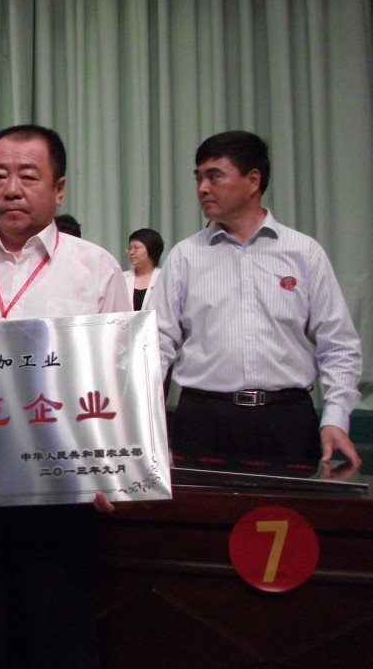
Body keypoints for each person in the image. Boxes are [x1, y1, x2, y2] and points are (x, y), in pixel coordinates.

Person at [0, 125, 129, 668]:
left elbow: (117, 378)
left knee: (60, 640)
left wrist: (116, 470)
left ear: (58, 189)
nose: (11, 189)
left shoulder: (96, 268)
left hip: (63, 491)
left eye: (28, 176)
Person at [152, 130, 362, 468]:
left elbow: (338, 345)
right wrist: (146, 419)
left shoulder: (303, 253)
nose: (202, 188)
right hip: (203, 421)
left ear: (253, 180)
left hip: (286, 421)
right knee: (198, 505)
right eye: (199, 178)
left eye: (214, 176)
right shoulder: (185, 256)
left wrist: (336, 418)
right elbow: (155, 345)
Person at [123, 227, 164, 311]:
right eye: (130, 248)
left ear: (151, 249)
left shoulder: (163, 278)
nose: (131, 252)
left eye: (136, 248)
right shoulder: (122, 278)